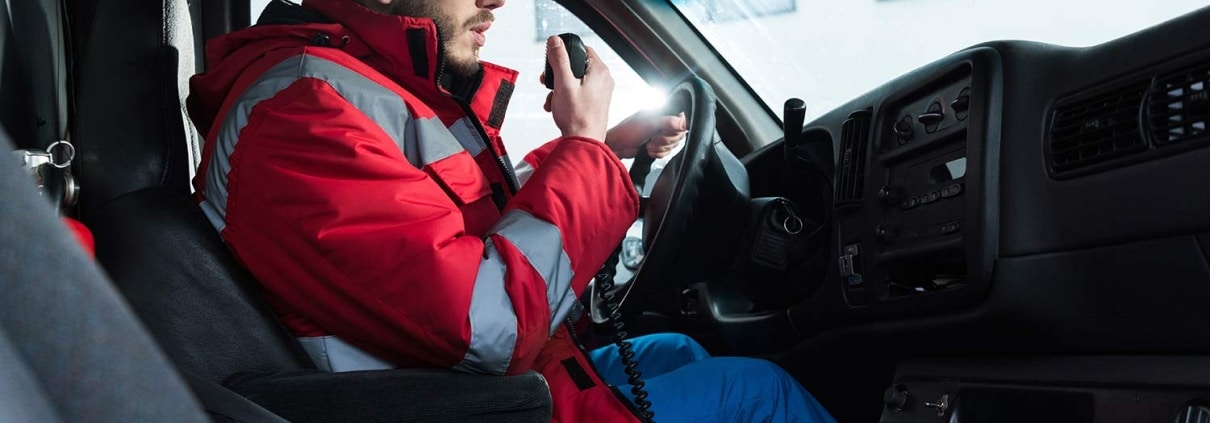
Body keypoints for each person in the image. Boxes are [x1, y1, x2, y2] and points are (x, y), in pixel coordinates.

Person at [188, 0, 836, 421]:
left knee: (679, 348)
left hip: (499, 387)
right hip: (474, 405)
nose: (497, 0)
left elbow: (465, 215)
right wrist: (584, 151)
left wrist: (604, 148)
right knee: (759, 393)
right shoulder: (300, 114)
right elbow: (488, 325)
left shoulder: (362, 85)